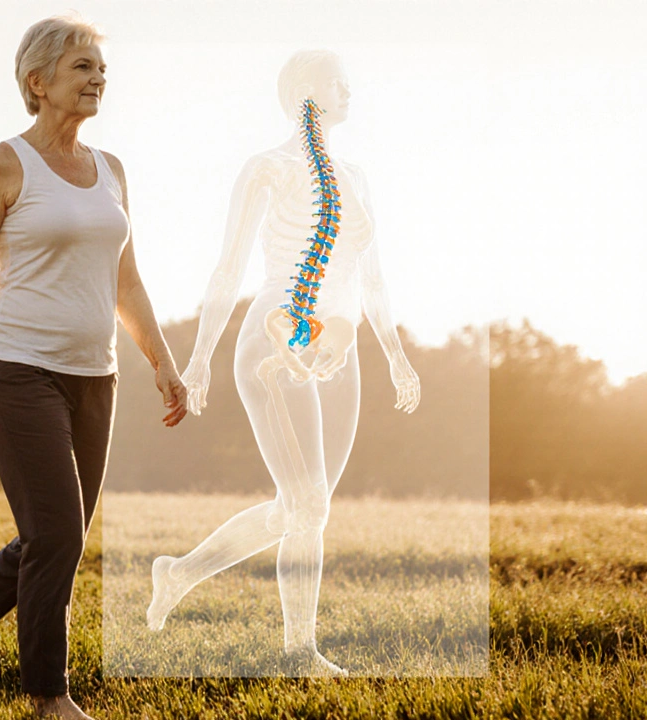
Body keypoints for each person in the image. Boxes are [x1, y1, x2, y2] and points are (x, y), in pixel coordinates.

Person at [0, 15, 187, 719]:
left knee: (55, 533)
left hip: (96, 376)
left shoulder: (112, 170)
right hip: (16, 368)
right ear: (38, 83)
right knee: (58, 532)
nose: (97, 80)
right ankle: (47, 695)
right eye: (82, 68)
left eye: (101, 70)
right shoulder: (2, 164)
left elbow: (128, 283)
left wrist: (163, 363)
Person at [145, 50, 421, 676]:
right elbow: (228, 265)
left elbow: (371, 279)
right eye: (336, 83)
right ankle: (300, 652)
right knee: (308, 505)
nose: (350, 91)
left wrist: (397, 357)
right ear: (302, 91)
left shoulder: (355, 173)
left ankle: (179, 572)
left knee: (304, 506)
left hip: (339, 345)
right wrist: (200, 359)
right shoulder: (267, 168)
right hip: (276, 334)